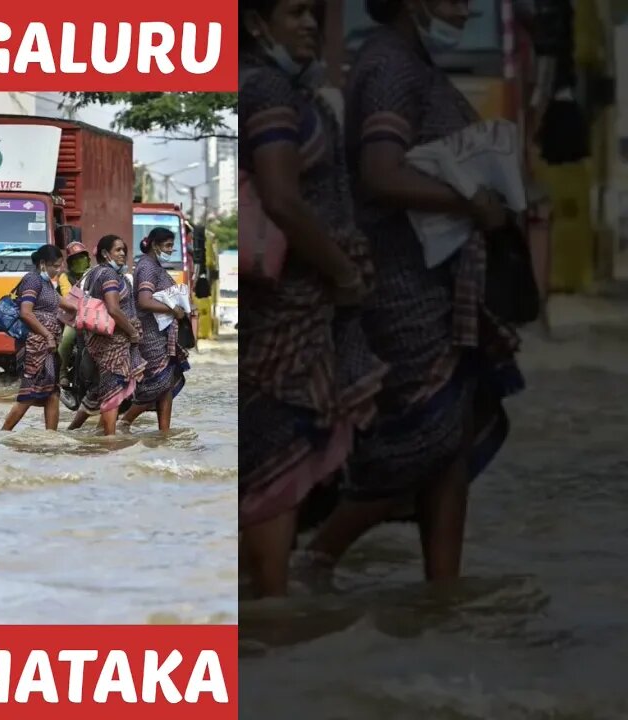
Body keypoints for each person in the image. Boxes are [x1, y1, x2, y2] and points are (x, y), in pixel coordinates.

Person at [300, 0, 525, 584]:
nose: (467, 5)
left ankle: (441, 592)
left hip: (439, 283)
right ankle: (317, 558)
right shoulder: (389, 66)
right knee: (422, 437)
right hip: (403, 284)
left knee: (451, 440)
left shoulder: (409, 60)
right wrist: (470, 204)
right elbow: (381, 172)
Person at [238, 0, 388, 598]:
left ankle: (262, 597)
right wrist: (343, 271)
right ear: (256, 24)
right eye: (295, 13)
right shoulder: (270, 90)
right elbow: (281, 199)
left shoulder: (266, 87)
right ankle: (272, 608)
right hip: (289, 308)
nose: (309, 26)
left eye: (314, 15)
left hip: (284, 304)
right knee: (279, 452)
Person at [64, 235, 145, 436]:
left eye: (124, 250)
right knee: (112, 391)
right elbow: (113, 309)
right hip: (112, 343)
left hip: (98, 341)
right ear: (105, 253)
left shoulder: (95, 273)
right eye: (118, 250)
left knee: (98, 390)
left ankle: (72, 431)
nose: (122, 254)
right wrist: (133, 332)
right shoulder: (109, 276)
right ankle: (109, 441)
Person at [122, 227, 191, 433]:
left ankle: (164, 433)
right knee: (156, 384)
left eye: (172, 245)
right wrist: (173, 310)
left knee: (166, 384)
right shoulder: (147, 267)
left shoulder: (155, 265)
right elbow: (144, 301)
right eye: (167, 245)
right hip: (150, 335)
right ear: (154, 245)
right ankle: (124, 422)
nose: (171, 250)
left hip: (162, 334)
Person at [1, 245, 66, 431]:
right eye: (55, 266)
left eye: (60, 266)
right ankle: (4, 434)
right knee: (29, 393)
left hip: (48, 348)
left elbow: (64, 304)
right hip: (35, 346)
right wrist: (47, 335)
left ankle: (51, 436)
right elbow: (26, 313)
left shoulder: (48, 285)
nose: (58, 270)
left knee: (52, 392)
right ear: (43, 264)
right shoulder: (32, 280)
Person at [56, 241, 93, 402]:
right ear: (69, 262)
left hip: (93, 313)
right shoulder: (65, 277)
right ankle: (62, 373)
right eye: (75, 259)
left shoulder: (93, 273)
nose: (80, 261)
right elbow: (67, 296)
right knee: (67, 338)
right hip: (73, 315)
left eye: (82, 257)